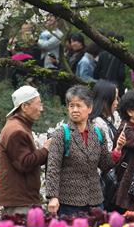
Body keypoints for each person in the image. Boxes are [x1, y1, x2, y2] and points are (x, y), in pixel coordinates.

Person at [46, 86, 121, 216]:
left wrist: (117, 150)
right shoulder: (61, 134)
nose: (74, 110)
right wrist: (53, 197)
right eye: (71, 106)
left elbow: (104, 164)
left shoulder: (98, 132)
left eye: (79, 106)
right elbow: (53, 167)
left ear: (90, 108)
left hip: (95, 199)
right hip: (69, 201)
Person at [0, 86, 50, 216]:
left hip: (20, 199)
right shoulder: (17, 131)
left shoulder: (18, 126)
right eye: (38, 104)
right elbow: (25, 163)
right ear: (24, 107)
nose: (41, 109)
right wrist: (46, 150)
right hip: (20, 202)